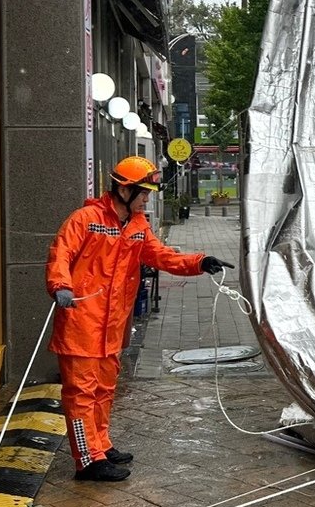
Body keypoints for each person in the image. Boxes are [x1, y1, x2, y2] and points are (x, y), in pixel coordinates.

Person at [46, 156, 233, 481]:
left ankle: (100, 446)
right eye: (143, 191)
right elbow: (60, 252)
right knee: (81, 394)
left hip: (111, 329)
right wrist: (60, 285)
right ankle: (87, 459)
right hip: (80, 325)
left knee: (103, 389)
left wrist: (200, 262)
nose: (148, 198)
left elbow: (161, 255)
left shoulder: (137, 225)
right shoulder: (85, 220)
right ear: (124, 189)